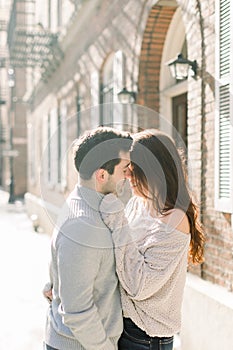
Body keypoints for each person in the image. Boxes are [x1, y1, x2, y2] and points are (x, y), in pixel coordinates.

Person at [99, 129, 205, 350]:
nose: (127, 176)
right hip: (122, 326)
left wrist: (117, 220)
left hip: (146, 338)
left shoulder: (174, 219)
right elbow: (115, 253)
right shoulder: (138, 204)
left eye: (133, 169)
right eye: (126, 168)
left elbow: (139, 286)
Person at [43, 126, 132, 350]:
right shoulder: (84, 226)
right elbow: (76, 312)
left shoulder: (82, 203)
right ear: (102, 175)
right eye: (124, 169)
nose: (128, 176)